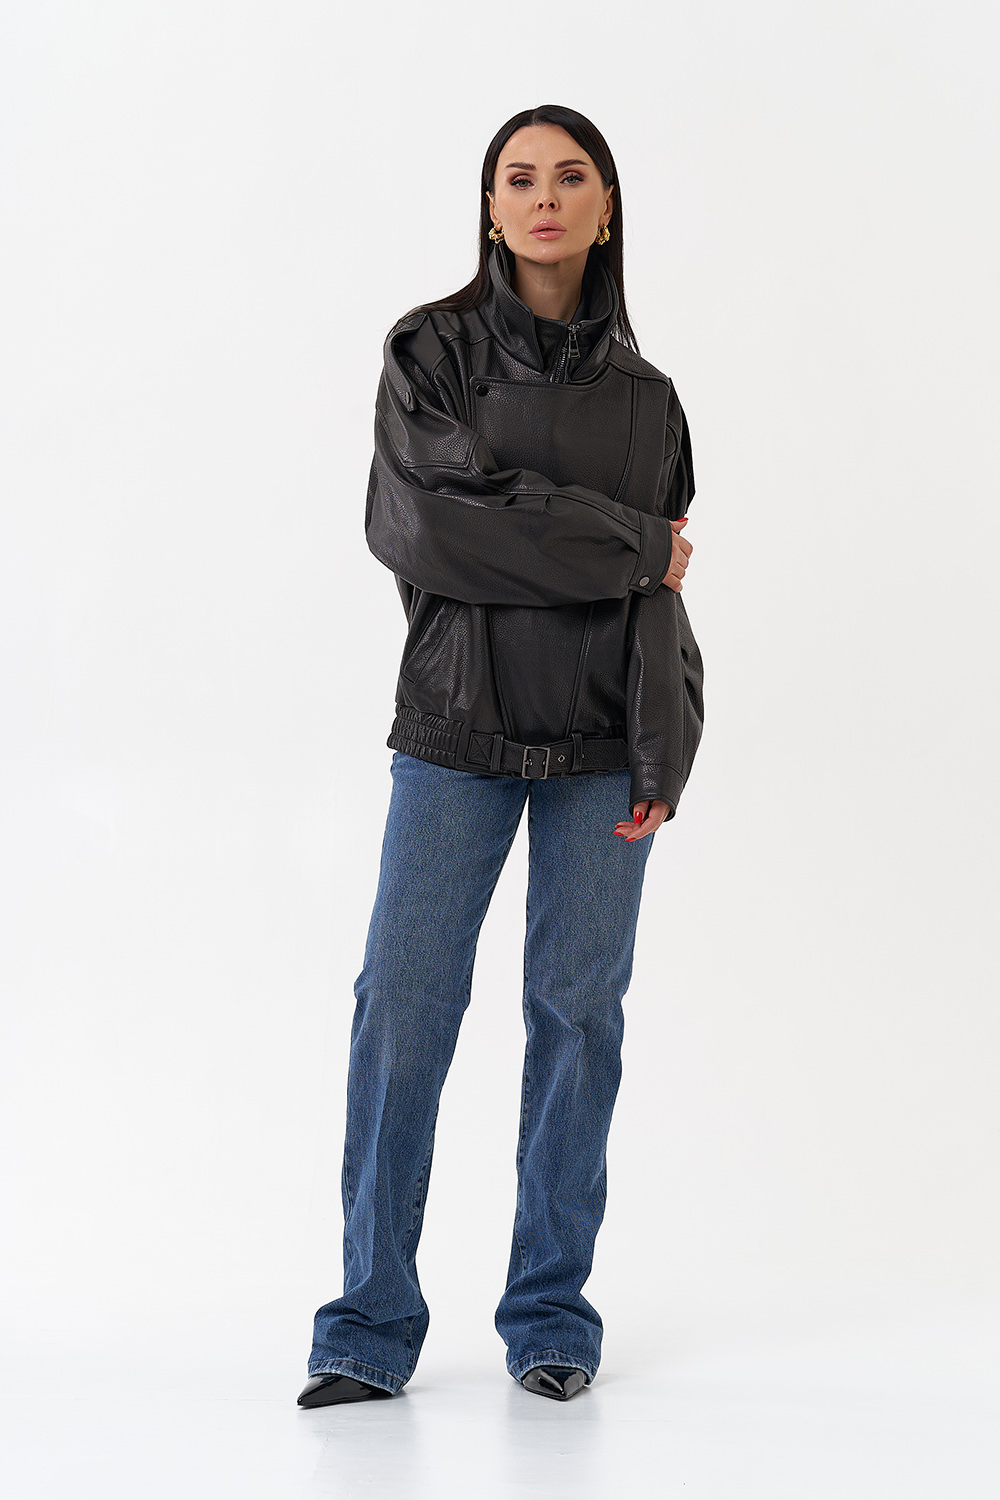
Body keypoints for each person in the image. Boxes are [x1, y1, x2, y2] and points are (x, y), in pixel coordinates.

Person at [298, 103, 704, 1409]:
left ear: (605, 207)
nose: (543, 197)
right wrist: (624, 542)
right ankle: (368, 1326)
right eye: (518, 177)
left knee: (577, 1022)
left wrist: (664, 749)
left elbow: (662, 608)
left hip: (602, 747)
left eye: (570, 177)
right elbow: (431, 526)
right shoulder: (430, 353)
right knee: (402, 1010)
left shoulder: (649, 402)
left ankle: (550, 1317)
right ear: (489, 206)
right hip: (455, 733)